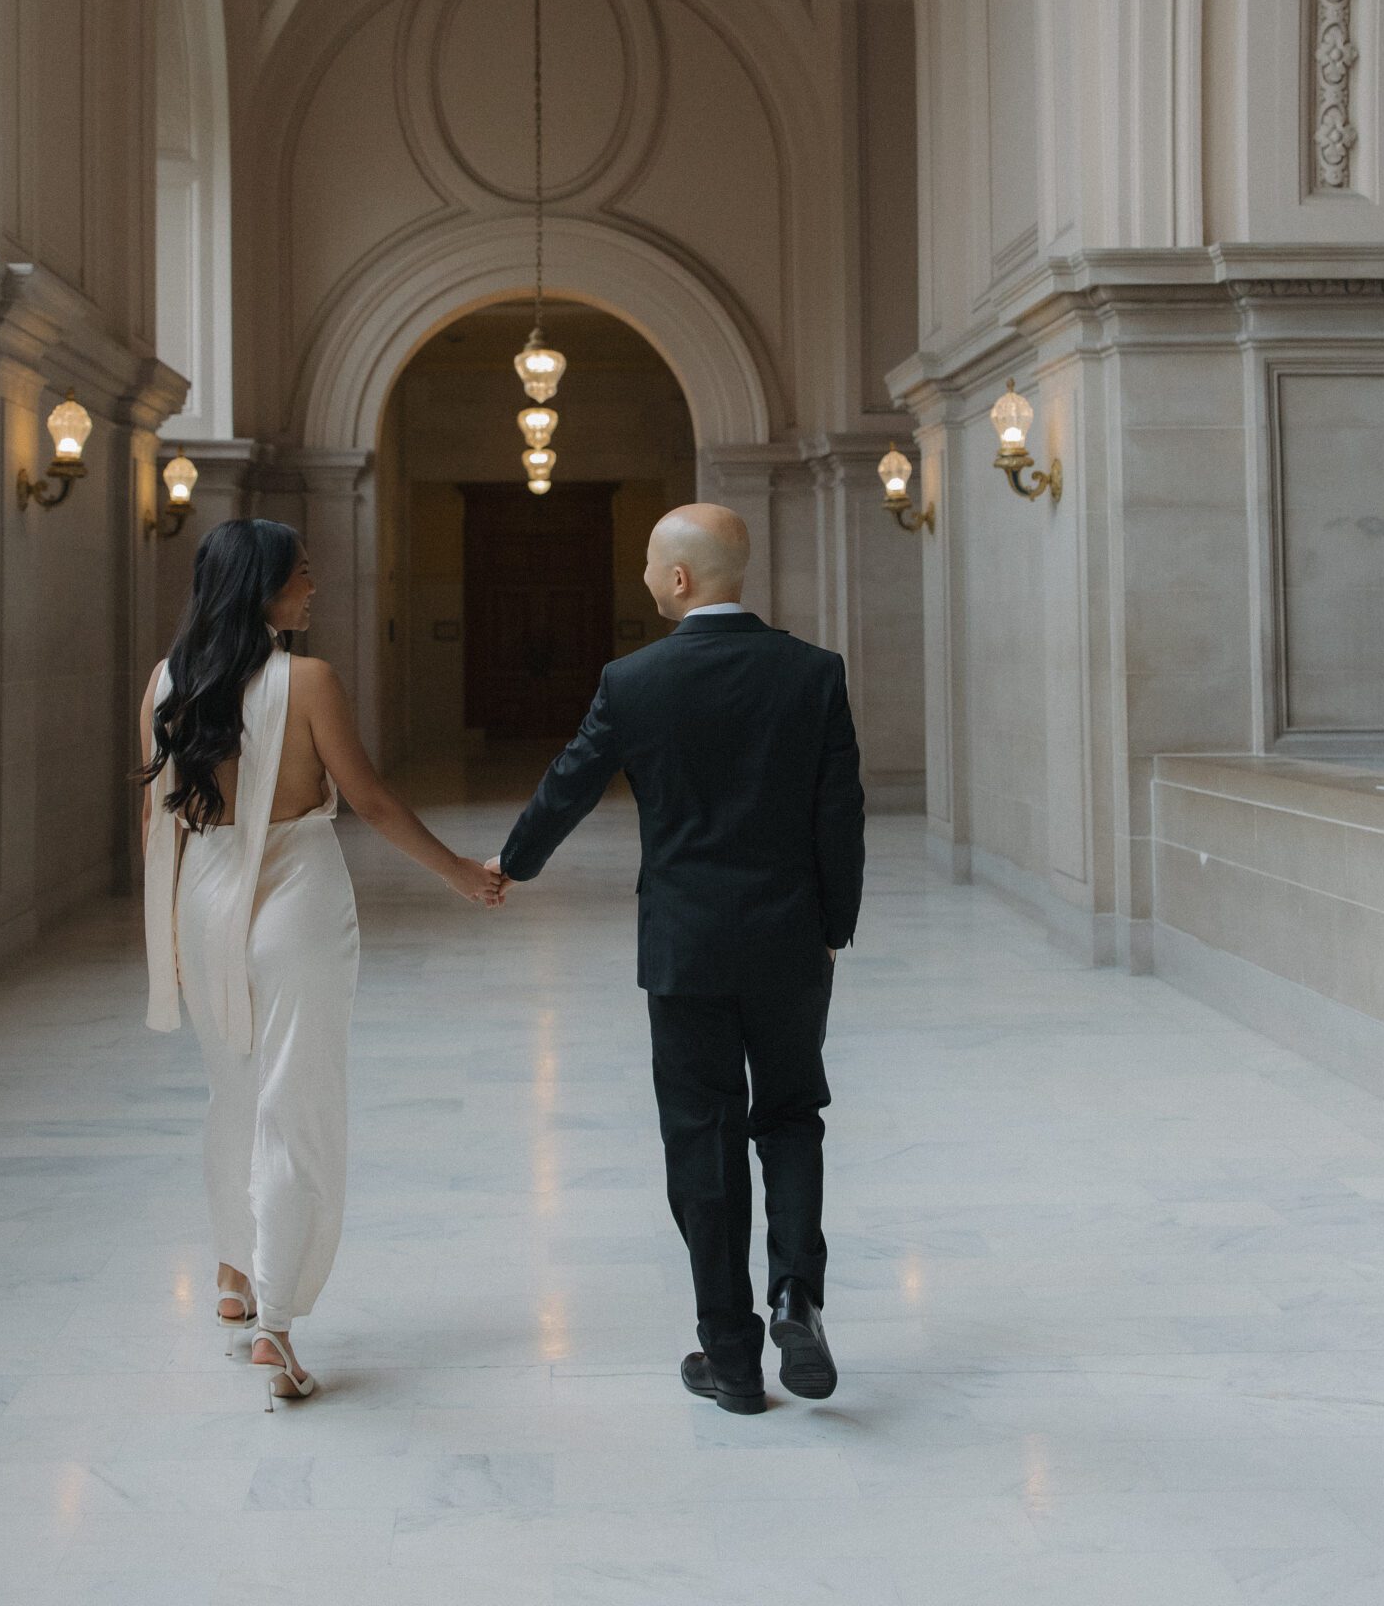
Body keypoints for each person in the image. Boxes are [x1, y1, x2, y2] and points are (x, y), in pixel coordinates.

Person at [490, 503, 864, 1416]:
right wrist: (833, 927)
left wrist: (511, 863)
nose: (646, 579)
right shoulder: (813, 674)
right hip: (787, 941)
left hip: (686, 946)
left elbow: (569, 784)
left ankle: (730, 1356)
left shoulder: (635, 681)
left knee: (701, 1137)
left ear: (685, 578)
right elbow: (839, 815)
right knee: (790, 1115)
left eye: (654, 565)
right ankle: (796, 1297)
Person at [140, 517, 503, 1408]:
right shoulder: (308, 681)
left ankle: (234, 1271)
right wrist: (460, 873)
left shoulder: (164, 683)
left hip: (204, 897)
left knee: (233, 1089)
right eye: (302, 576)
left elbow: (152, 822)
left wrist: (167, 941)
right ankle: (274, 1326)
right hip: (297, 897)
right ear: (261, 588)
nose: (315, 589)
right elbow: (371, 800)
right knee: (294, 1101)